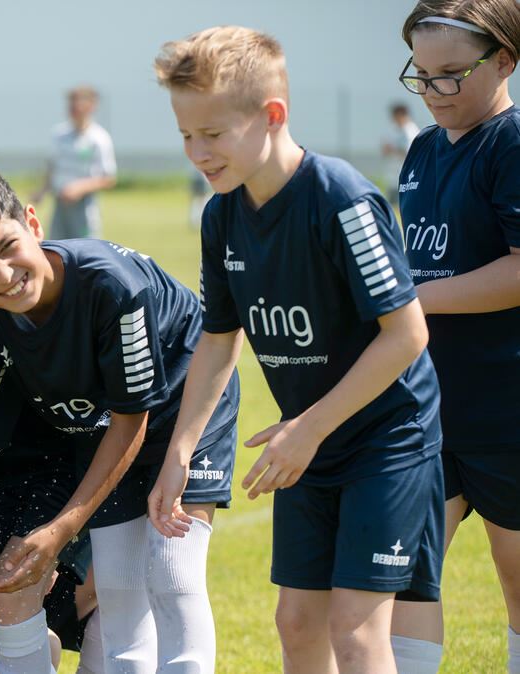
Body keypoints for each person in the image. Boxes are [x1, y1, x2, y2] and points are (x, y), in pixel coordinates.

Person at [151, 26, 444, 674]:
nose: (197, 152)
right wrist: (179, 452)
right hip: (308, 438)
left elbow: (408, 334)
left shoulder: (341, 200)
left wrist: (307, 430)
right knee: (295, 621)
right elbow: (218, 341)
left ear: (272, 116)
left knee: (356, 629)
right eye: (185, 135)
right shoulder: (221, 215)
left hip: (387, 436)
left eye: (213, 133)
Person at [0, 160, 239, 674]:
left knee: (173, 576)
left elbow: (133, 421)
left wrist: (61, 528)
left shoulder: (112, 287)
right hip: (105, 423)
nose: (3, 276)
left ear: (33, 223)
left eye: (7, 248)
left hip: (182, 408)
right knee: (119, 587)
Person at [388, 4, 520, 673]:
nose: (435, 91)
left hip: (506, 407)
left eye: (451, 74)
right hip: (429, 407)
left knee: (515, 569)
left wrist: (408, 298)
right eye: (422, 74)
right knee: (407, 569)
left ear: (504, 60)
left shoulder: (513, 142)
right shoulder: (420, 151)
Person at [31, 86, 117, 240]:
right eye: (70, 102)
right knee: (56, 250)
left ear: (91, 106)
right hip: (59, 204)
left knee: (85, 252)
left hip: (84, 207)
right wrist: (41, 192)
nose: (72, 107)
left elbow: (108, 178)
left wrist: (79, 187)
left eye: (78, 102)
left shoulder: (99, 138)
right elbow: (52, 167)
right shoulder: (59, 134)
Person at [380, 103, 420, 207]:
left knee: (404, 205)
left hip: (408, 175)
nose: (394, 119)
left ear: (403, 115)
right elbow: (384, 150)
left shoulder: (411, 131)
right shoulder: (392, 130)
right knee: (392, 205)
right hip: (392, 174)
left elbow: (410, 154)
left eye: (396, 116)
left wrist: (393, 149)